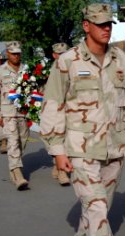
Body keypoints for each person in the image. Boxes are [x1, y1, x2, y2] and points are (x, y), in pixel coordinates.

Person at [40, 4, 125, 236]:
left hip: (113, 147)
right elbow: (52, 104)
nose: (105, 28)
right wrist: (57, 151)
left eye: (109, 23)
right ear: (86, 26)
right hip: (80, 150)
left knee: (99, 209)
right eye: (99, 24)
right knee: (96, 208)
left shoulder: (119, 57)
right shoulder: (68, 61)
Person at [0, 41, 29, 190]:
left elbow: (32, 90)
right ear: (7, 54)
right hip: (8, 113)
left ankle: (14, 166)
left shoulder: (26, 69)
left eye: (18, 53)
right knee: (12, 142)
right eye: (13, 53)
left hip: (23, 113)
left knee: (22, 141)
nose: (16, 56)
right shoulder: (0, 71)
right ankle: (17, 175)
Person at [48, 42, 70, 186]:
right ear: (54, 55)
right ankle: (62, 170)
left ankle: (59, 166)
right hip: (56, 109)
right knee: (58, 138)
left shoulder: (72, 66)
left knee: (67, 138)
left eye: (65, 53)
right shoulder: (52, 70)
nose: (62, 56)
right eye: (60, 54)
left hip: (70, 109)